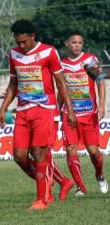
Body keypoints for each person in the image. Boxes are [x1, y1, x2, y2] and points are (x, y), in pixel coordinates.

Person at [0, 19, 77, 210]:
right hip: (23, 111)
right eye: (18, 42)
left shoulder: (49, 52)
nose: (21, 46)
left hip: (45, 109)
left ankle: (42, 198)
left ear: (33, 36)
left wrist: (70, 109)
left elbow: (61, 82)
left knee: (39, 152)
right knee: (19, 156)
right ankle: (55, 181)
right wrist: (3, 108)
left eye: (24, 41)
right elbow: (13, 83)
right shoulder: (14, 54)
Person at [61, 32, 108, 196]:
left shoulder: (89, 60)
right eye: (73, 42)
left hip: (89, 113)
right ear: (67, 43)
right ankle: (81, 187)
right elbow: (60, 90)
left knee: (93, 151)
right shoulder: (62, 64)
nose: (77, 45)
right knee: (71, 149)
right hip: (69, 114)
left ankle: (100, 175)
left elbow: (101, 82)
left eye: (80, 42)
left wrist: (102, 106)